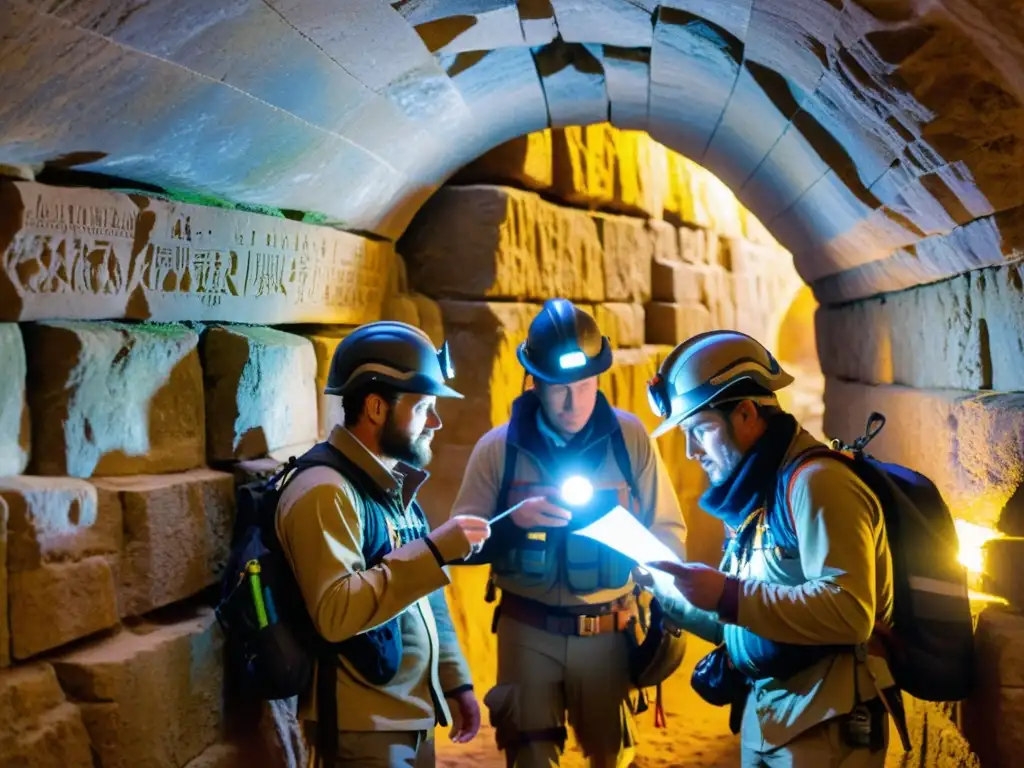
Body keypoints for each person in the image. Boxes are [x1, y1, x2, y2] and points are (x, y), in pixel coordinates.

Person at [450, 298, 688, 767]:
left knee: (612, 756)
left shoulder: (629, 439)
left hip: (608, 628)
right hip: (526, 629)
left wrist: (663, 598)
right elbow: (459, 544)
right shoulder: (498, 449)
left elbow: (667, 529)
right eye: (559, 387)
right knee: (530, 754)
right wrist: (510, 524)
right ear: (534, 380)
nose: (572, 400)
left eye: (583, 385)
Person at [643, 330, 896, 767]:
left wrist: (727, 594)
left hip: (827, 728)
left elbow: (851, 612)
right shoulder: (758, 494)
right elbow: (750, 619)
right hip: (769, 721)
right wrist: (673, 594)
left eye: (699, 430)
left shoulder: (818, 483)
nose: (691, 452)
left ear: (745, 414)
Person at [274, 320, 491, 767]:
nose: (436, 421)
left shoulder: (388, 485)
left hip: (408, 716)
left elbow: (423, 597)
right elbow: (335, 613)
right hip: (362, 730)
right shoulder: (325, 491)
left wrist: (454, 682)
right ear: (376, 407)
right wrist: (433, 551)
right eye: (424, 406)